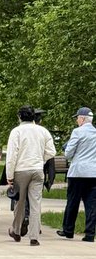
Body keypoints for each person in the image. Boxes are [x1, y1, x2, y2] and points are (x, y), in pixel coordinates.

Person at [6, 105, 56, 246]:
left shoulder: (16, 132)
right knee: (36, 204)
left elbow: (11, 155)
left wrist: (9, 175)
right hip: (37, 169)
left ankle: (16, 231)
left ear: (20, 116)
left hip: (21, 170)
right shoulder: (43, 131)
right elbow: (51, 151)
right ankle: (34, 236)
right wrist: (41, 159)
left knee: (19, 203)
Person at [58, 107, 96, 242]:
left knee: (73, 201)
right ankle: (90, 234)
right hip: (93, 173)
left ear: (82, 119)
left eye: (77, 118)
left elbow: (68, 153)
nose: (76, 120)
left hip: (78, 172)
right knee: (91, 204)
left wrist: (67, 151)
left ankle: (68, 230)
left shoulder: (77, 132)